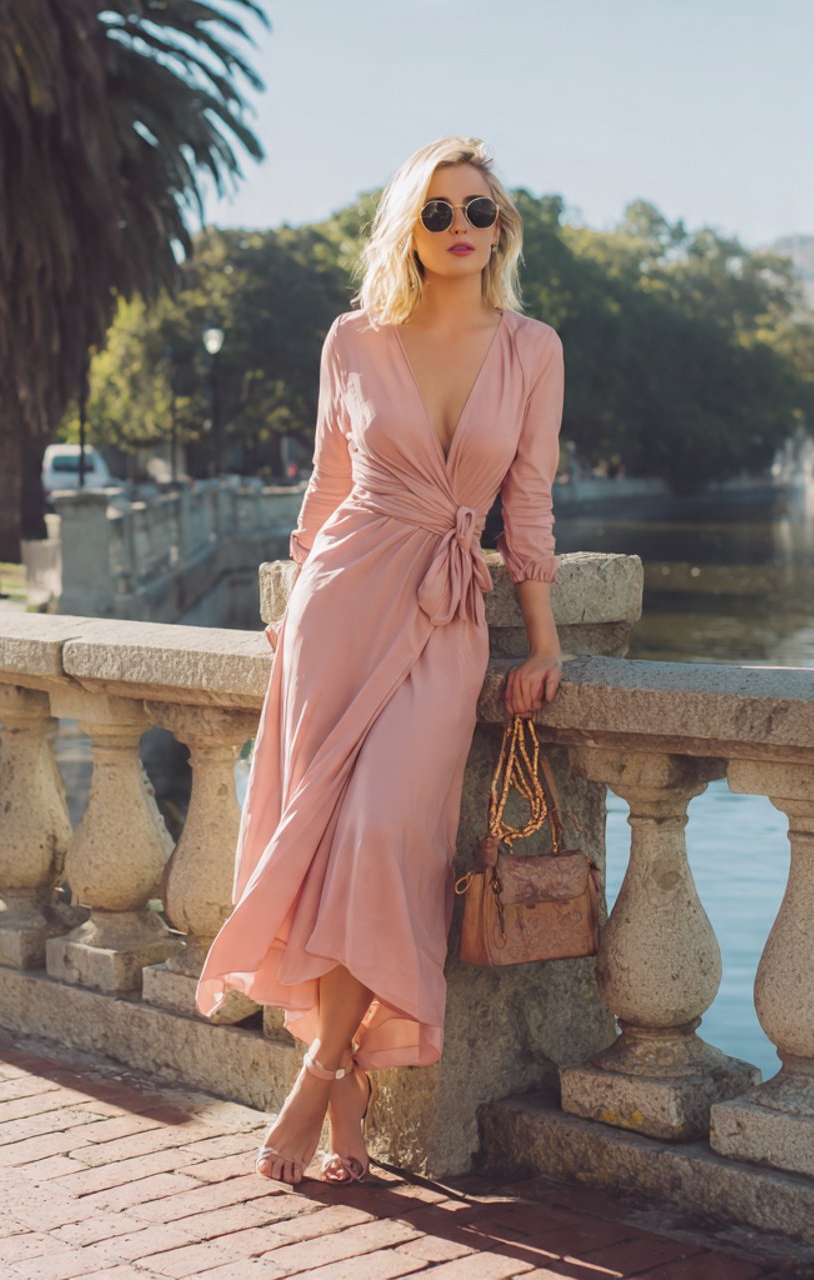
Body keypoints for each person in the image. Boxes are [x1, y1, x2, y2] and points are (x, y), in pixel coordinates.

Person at [195, 136, 566, 1185]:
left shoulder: (533, 348)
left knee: (380, 833)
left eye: (477, 210)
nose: (459, 227)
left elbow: (527, 503)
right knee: (325, 841)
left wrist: (544, 641)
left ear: (501, 228)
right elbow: (326, 485)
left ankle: (319, 1075)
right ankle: (344, 1091)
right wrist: (292, 609)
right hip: (340, 607)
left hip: (445, 617)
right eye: (437, 211)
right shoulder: (354, 338)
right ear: (409, 227)